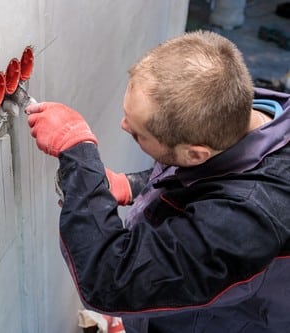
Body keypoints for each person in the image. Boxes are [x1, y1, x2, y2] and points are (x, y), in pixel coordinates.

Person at [26, 30, 290, 333]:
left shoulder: (243, 223)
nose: (123, 126)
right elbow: (209, 177)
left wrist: (78, 152)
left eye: (139, 134)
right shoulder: (240, 118)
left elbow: (109, 279)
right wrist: (134, 185)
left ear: (194, 153)